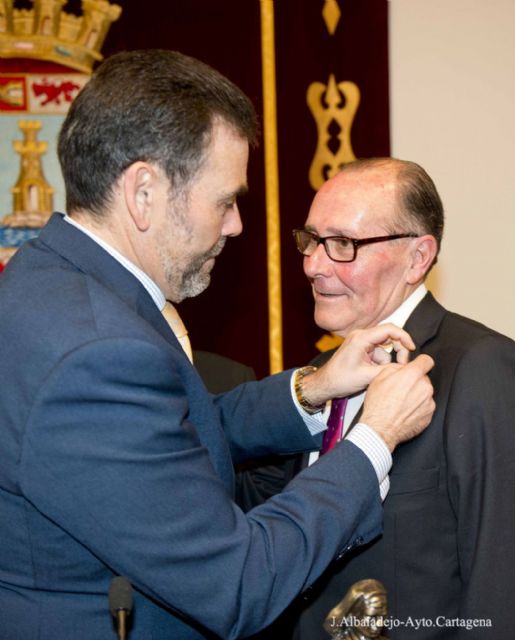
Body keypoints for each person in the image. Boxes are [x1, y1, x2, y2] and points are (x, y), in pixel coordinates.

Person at [0, 52, 435, 640]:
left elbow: (168, 434)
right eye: (224, 200)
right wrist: (373, 441)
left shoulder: (48, 280)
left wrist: (315, 387)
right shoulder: (97, 351)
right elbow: (238, 583)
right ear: (144, 191)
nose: (234, 225)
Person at [248, 157, 515, 639]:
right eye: (311, 240)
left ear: (418, 258)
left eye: (343, 245)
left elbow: (500, 583)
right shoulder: (315, 378)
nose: (312, 265)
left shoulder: (478, 367)